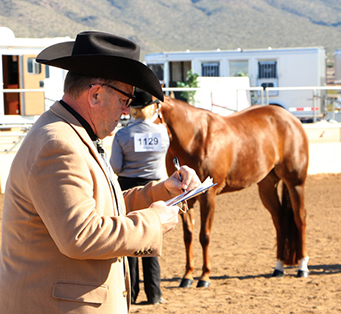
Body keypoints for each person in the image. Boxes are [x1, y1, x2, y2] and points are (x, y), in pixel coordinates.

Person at [0, 31, 201, 314]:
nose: (127, 110)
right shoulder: (60, 143)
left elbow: (104, 208)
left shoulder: (70, 134)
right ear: (95, 94)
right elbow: (81, 235)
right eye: (125, 99)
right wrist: (154, 221)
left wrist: (162, 191)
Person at [110, 90, 169, 305]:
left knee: (130, 242)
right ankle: (155, 294)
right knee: (152, 239)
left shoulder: (122, 135)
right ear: (151, 108)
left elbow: (115, 166)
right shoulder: (162, 133)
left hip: (128, 187)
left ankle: (131, 293)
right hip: (155, 188)